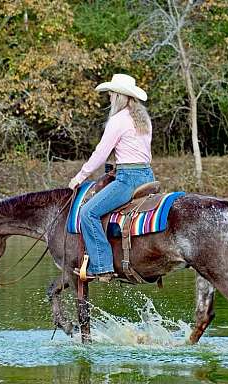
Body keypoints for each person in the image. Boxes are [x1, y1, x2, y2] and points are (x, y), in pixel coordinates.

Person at [68, 74, 155, 281]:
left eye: (111, 94)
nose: (109, 98)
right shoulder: (142, 118)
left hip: (128, 179)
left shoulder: (118, 120)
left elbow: (100, 153)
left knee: (88, 213)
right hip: (147, 175)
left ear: (118, 96)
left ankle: (102, 267)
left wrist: (80, 177)